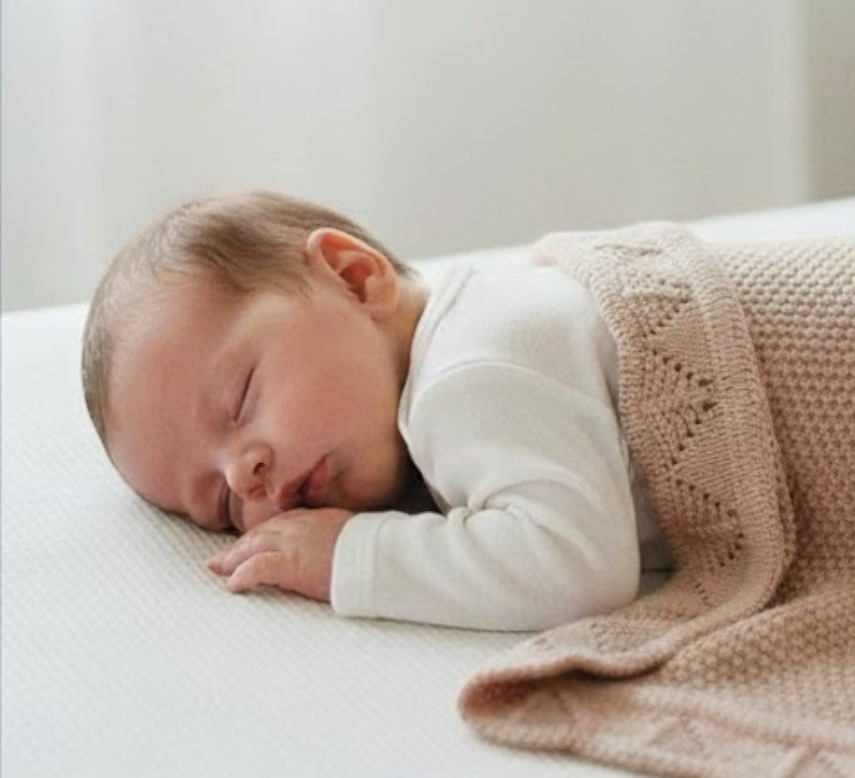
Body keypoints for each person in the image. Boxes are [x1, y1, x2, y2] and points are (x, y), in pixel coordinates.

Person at [81, 190, 670, 632]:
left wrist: (351, 555)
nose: (243, 476)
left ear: (354, 278)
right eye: (222, 504)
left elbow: (577, 568)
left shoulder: (465, 374)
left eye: (240, 400)